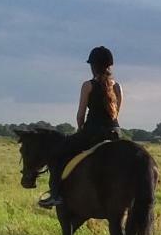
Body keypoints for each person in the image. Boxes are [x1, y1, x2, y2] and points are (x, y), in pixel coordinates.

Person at [37, 46, 123, 208]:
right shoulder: (117, 87)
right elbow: (116, 115)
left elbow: (80, 115)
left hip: (92, 133)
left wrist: (80, 130)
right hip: (115, 134)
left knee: (57, 154)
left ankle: (55, 194)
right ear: (109, 66)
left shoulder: (88, 85)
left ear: (92, 66)